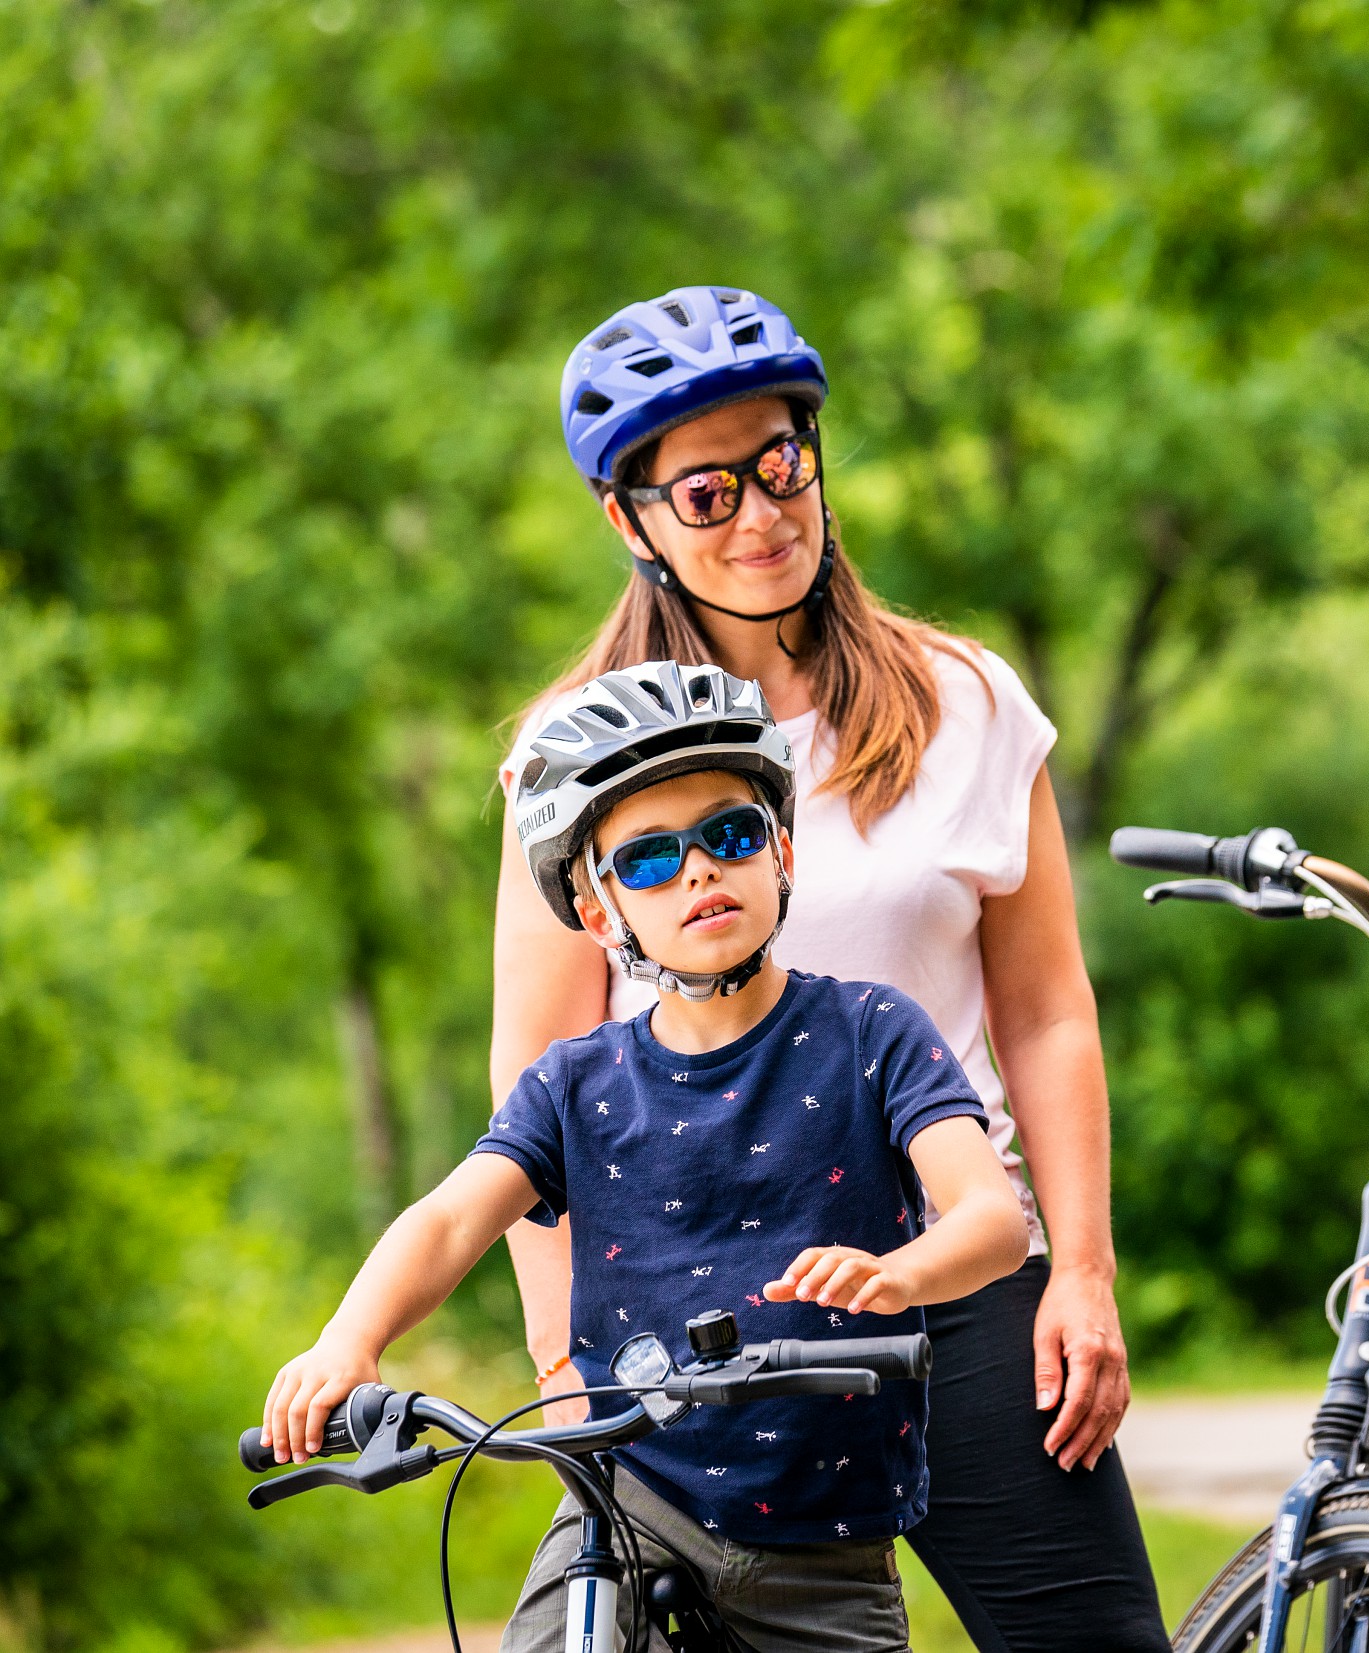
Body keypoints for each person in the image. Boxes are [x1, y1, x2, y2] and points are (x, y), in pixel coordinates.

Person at [493, 287, 1169, 1650]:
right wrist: (562, 1356)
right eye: (707, 489)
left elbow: (1046, 1015)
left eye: (782, 460)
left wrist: (1082, 1273)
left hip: (960, 1293)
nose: (760, 513)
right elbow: (535, 1071)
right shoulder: (568, 756)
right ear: (630, 521)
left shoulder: (968, 701)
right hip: (684, 1323)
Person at [265, 660, 1031, 1652]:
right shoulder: (574, 1084)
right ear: (598, 914)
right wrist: (348, 1343)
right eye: (647, 860)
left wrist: (898, 1274)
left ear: (782, 853)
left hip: (827, 1550)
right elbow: (452, 1218)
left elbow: (991, 1220)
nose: (699, 870)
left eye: (728, 834)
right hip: (630, 1506)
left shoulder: (872, 1033)